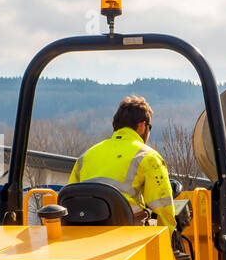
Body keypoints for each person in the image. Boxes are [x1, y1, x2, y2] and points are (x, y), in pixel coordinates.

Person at [68, 95, 176, 230]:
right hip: (126, 234)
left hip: (82, 231)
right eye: (150, 127)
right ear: (142, 126)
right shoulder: (148, 157)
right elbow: (163, 209)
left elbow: (68, 199)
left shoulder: (86, 156)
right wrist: (171, 240)